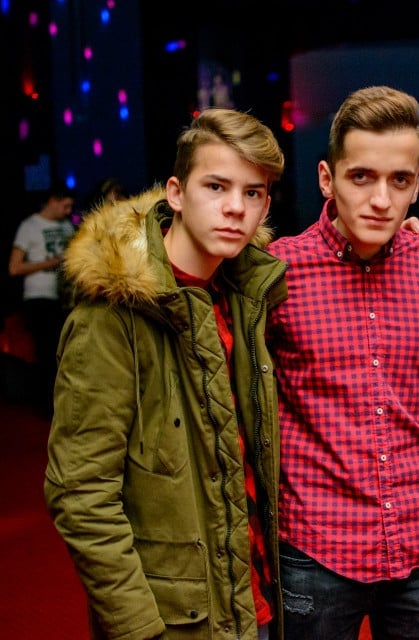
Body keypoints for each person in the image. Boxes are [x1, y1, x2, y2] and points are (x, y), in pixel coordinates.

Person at [44, 108, 288, 640]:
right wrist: (138, 628)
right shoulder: (110, 318)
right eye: (216, 186)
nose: (235, 207)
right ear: (175, 193)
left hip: (255, 604)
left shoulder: (246, 295)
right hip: (176, 622)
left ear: (266, 205)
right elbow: (81, 495)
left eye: (252, 193)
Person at [266, 85, 419, 640]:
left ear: (416, 185)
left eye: (399, 180)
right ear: (327, 179)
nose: (381, 199)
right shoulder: (275, 272)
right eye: (361, 177)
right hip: (316, 545)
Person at [8, 181, 76, 417]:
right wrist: (50, 263)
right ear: (52, 201)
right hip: (38, 298)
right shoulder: (30, 226)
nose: (68, 211)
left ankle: (65, 404)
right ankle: (48, 407)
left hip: (64, 298)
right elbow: (14, 268)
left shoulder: (67, 226)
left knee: (66, 351)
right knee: (48, 351)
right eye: (65, 205)